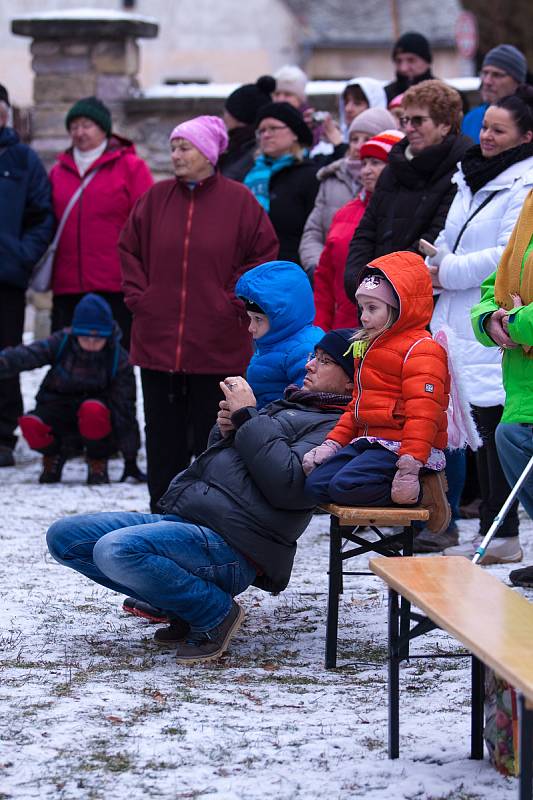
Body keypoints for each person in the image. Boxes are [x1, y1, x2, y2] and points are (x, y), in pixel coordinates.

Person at [45, 329, 356, 663]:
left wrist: (248, 418)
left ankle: (213, 613)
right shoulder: (289, 406)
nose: (310, 366)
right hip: (191, 523)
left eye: (325, 362)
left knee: (115, 550)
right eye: (313, 356)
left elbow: (289, 486)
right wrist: (225, 431)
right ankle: (181, 604)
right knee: (65, 537)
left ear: (352, 383)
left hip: (234, 546)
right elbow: (226, 465)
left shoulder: (337, 429)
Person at [119, 115, 278, 512]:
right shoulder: (154, 200)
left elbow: (263, 257)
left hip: (217, 342)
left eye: (184, 147)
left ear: (208, 153)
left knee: (215, 436)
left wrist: (232, 302)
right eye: (173, 147)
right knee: (162, 436)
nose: (175, 155)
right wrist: (143, 297)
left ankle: (211, 516)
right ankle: (162, 513)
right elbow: (129, 250)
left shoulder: (240, 201)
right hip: (159, 343)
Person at [416, 86, 533, 558]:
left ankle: (500, 532)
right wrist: (436, 271)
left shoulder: (522, 183)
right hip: (468, 318)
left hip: (501, 328)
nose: (485, 136)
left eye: (497, 129)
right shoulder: (473, 176)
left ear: (525, 137)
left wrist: (448, 269)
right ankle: (497, 532)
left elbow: (494, 259)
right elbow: (460, 241)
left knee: (495, 428)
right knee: (481, 426)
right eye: (483, 126)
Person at [304, 252, 450, 535]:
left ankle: (423, 490)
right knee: (316, 485)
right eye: (361, 308)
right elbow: (357, 406)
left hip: (403, 447)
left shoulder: (422, 349)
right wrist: (331, 444)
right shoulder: (369, 345)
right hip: (370, 441)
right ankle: (392, 486)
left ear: (399, 308)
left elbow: (424, 414)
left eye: (372, 308)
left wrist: (410, 465)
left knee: (346, 486)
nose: (364, 317)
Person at [454, 185, 533, 569]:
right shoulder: (529, 208)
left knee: (512, 438)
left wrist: (515, 322)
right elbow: (496, 285)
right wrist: (490, 318)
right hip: (522, 379)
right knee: (511, 438)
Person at [344, 80, 472, 301]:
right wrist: (359, 281)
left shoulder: (462, 169)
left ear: (445, 125)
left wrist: (387, 284)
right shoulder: (393, 167)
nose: (409, 127)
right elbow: (366, 230)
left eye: (418, 120)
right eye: (405, 119)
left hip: (422, 297)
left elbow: (435, 237)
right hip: (376, 295)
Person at [0, 294, 142, 485]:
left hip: (98, 418)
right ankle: (53, 455)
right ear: (76, 332)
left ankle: (97, 459)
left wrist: (130, 458)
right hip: (58, 407)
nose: (91, 343)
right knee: (30, 424)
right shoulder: (62, 342)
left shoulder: (119, 358)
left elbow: (125, 409)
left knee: (93, 410)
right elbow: (28, 355)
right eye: (85, 337)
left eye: (98, 338)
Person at [49, 96, 153, 350]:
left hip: (115, 284)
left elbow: (147, 221)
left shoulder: (131, 167)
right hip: (68, 285)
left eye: (86, 125)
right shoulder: (57, 171)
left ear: (103, 128)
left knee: (116, 361)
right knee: (68, 360)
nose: (79, 132)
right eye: (74, 127)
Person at [0, 83, 55, 468]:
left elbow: (41, 217)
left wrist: (20, 256)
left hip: (5, 278)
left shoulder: (22, 160)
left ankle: (2, 435)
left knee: (5, 357)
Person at [313, 130, 405, 331]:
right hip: (343, 329)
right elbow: (325, 278)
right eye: (364, 163)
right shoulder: (345, 212)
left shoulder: (406, 213)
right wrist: (321, 329)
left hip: (386, 330)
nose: (366, 171)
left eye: (376, 163)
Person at [299, 108, 399, 278]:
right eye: (354, 139)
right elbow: (313, 232)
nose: (358, 145)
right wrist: (318, 267)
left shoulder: (393, 191)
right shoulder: (331, 178)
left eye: (367, 139)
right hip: (331, 276)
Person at [235, 260, 324, 408]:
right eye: (250, 318)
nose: (251, 327)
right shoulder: (273, 341)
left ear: (282, 317)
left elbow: (305, 406)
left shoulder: (304, 348)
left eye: (258, 319)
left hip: (285, 426)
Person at [244, 102, 318, 265]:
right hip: (253, 270)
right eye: (261, 130)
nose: (266, 135)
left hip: (292, 270)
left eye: (273, 128)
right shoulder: (251, 176)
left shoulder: (310, 175)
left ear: (294, 133)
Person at [462, 45, 527, 145]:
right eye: (484, 73)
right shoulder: (471, 118)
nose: (487, 81)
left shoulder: (527, 120)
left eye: (497, 75)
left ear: (517, 81)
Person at [219, 75, 275, 182]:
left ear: (239, 116)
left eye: (227, 112)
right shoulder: (235, 145)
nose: (223, 117)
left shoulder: (251, 150)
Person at [384, 32, 435, 105]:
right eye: (398, 61)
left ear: (427, 62)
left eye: (411, 60)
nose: (403, 68)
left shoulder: (445, 96)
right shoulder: (384, 96)